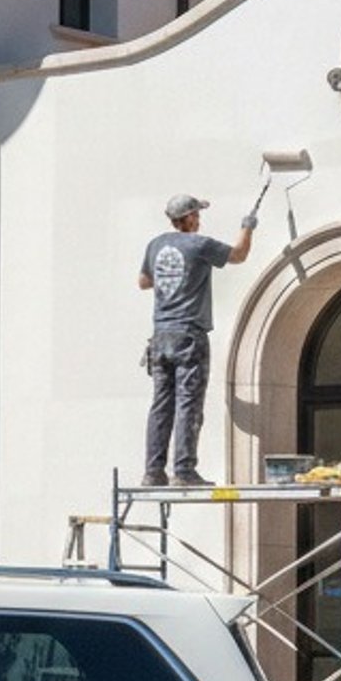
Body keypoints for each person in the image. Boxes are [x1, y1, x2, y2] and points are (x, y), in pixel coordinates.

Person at [139, 191, 255, 486]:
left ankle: (153, 472)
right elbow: (239, 255)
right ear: (188, 218)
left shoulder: (155, 245)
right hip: (189, 334)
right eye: (197, 214)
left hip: (161, 334)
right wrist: (248, 226)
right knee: (189, 402)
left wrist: (171, 279)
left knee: (161, 404)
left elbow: (144, 282)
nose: (199, 219)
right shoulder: (199, 245)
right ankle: (184, 471)